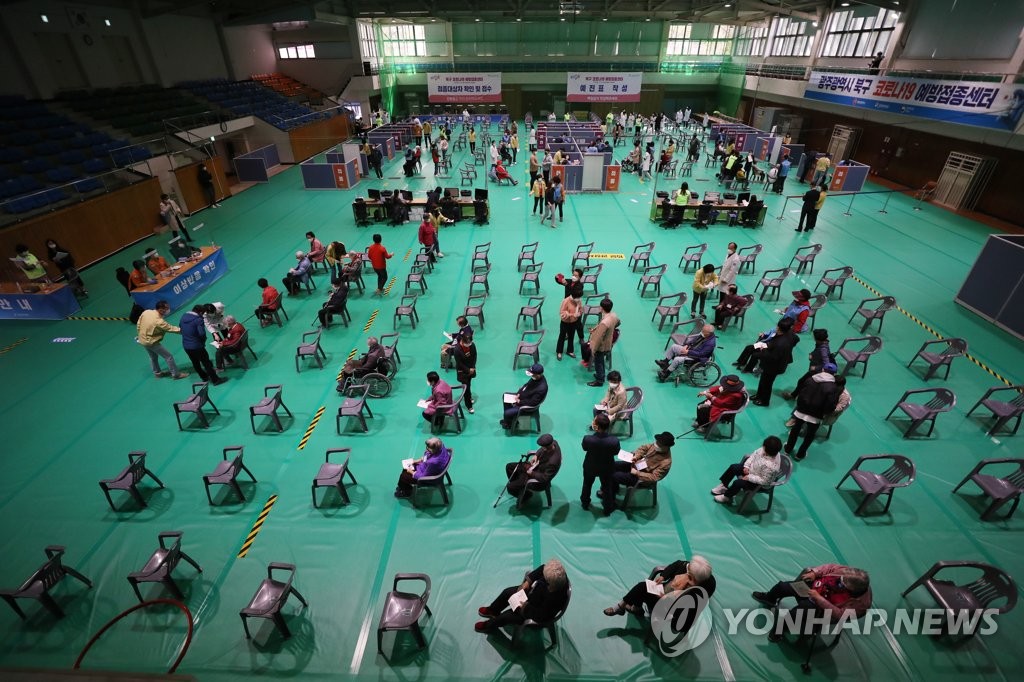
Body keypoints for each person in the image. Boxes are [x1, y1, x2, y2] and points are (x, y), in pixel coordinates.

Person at [752, 564, 872, 642]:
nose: (839, 580)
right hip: (815, 589)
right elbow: (829, 568)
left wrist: (819, 599)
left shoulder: (861, 605)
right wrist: (815, 573)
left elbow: (840, 615)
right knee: (782, 587)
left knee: (798, 612)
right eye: (840, 579)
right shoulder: (847, 572)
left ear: (852, 589)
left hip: (823, 610)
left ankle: (780, 630)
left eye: (842, 583)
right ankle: (769, 598)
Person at [475, 559, 569, 633]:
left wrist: (525, 606)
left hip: (532, 611)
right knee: (507, 592)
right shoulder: (555, 574)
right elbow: (542, 569)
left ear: (551, 585)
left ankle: (488, 625)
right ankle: (493, 610)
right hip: (532, 594)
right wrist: (527, 582)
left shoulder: (555, 599)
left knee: (505, 616)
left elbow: (541, 615)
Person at [604, 556, 714, 618]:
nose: (693, 582)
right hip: (663, 592)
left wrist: (669, 597)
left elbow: (690, 609)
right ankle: (621, 607)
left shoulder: (707, 586)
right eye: (691, 577)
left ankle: (636, 608)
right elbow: (673, 567)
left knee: (642, 591)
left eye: (696, 580)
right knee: (642, 586)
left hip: (673, 610)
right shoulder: (685, 566)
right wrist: (663, 576)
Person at [785, 363, 841, 460]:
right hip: (816, 415)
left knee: (795, 431)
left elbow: (801, 394)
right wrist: (824, 413)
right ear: (834, 374)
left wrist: (800, 406)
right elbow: (830, 404)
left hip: (801, 411)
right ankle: (800, 454)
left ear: (823, 369)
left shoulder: (811, 379)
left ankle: (788, 449)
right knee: (809, 435)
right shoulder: (833, 388)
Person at [711, 435, 783, 504]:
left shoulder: (772, 467)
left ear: (767, 450)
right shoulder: (764, 449)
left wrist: (749, 478)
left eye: (763, 446)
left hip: (758, 483)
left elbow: (765, 481)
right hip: (752, 471)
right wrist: (746, 466)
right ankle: (724, 485)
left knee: (737, 483)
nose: (762, 447)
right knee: (733, 467)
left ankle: (727, 497)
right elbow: (753, 456)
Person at [610, 431, 674, 500]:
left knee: (613, 476)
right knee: (612, 465)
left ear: (667, 447)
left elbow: (654, 477)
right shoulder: (658, 446)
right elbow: (644, 448)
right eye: (657, 442)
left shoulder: (666, 462)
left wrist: (637, 473)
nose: (656, 444)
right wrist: (636, 456)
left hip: (642, 478)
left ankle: (610, 497)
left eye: (659, 444)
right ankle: (614, 488)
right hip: (637, 465)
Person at [751, 318, 800, 407]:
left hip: (773, 366)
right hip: (771, 364)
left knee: (767, 383)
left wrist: (763, 350)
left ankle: (764, 401)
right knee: (763, 380)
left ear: (778, 328)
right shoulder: (790, 334)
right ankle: (759, 395)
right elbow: (797, 339)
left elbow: (772, 357)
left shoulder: (781, 343)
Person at [136, 300, 189, 379]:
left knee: (153, 357)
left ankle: (157, 373)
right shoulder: (159, 321)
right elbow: (171, 329)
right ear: (161, 310)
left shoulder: (146, 312)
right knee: (168, 357)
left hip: (142, 339)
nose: (168, 309)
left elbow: (138, 324)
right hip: (151, 342)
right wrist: (185, 331)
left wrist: (140, 335)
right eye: (166, 308)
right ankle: (176, 374)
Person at [581, 413, 620, 515]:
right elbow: (616, 452)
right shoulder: (614, 441)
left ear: (596, 426)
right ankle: (608, 508)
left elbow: (585, 448)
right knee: (607, 487)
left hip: (590, 466)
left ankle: (585, 503)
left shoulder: (588, 439)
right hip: (606, 468)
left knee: (587, 484)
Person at [505, 433, 562, 501]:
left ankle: (527, 496)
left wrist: (532, 473)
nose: (541, 447)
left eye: (542, 447)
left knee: (510, 487)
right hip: (535, 466)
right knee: (509, 467)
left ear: (547, 447)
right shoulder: (553, 442)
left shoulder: (553, 462)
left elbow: (545, 478)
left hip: (537, 477)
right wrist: (536, 455)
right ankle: (518, 486)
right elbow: (541, 449)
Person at [179, 304, 227, 385]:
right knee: (206, 363)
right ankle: (215, 380)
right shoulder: (198, 319)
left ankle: (204, 377)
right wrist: (202, 342)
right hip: (197, 346)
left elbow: (181, 328)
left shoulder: (184, 316)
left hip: (186, 346)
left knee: (195, 362)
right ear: (200, 312)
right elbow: (201, 334)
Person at [783, 328, 833, 399]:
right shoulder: (823, 343)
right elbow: (817, 351)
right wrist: (812, 354)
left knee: (802, 381)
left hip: (816, 371)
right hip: (814, 367)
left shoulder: (823, 350)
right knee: (805, 383)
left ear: (818, 339)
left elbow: (826, 364)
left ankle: (794, 395)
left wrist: (816, 368)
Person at [501, 363, 548, 429]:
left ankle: (509, 421)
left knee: (506, 413)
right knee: (505, 396)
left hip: (526, 406)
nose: (531, 376)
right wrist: (518, 393)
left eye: (533, 374)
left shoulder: (542, 388)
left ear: (538, 375)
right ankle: (509, 421)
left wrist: (519, 401)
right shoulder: (536, 378)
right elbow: (526, 385)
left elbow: (532, 403)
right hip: (522, 398)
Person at [587, 298, 620, 387]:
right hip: (608, 343)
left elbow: (598, 339)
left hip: (601, 346)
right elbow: (618, 322)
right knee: (600, 362)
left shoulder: (604, 323)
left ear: (601, 308)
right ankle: (600, 375)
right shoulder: (613, 315)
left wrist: (594, 349)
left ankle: (599, 380)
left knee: (599, 363)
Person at [451, 331, 477, 414]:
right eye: (467, 343)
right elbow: (459, 363)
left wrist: (472, 367)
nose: (469, 344)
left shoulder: (472, 345)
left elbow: (474, 355)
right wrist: (468, 370)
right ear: (463, 340)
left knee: (469, 385)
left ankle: (469, 397)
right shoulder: (457, 349)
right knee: (466, 388)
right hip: (463, 371)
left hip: (471, 369)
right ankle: (469, 406)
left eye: (470, 342)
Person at [556, 287, 583, 361]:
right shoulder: (566, 301)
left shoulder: (578, 300)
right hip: (565, 322)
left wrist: (579, 313)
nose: (579, 299)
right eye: (578, 297)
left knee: (571, 336)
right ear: (574, 296)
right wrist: (572, 315)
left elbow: (581, 309)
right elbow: (562, 313)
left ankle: (570, 351)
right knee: (562, 336)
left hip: (574, 322)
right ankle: (559, 351)